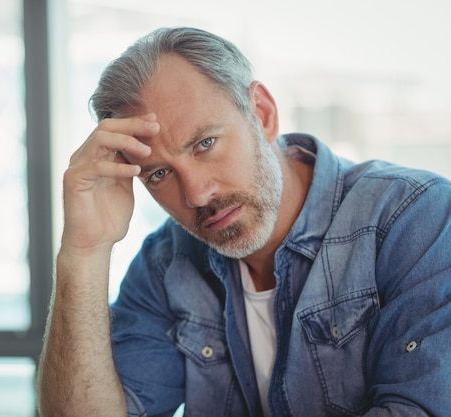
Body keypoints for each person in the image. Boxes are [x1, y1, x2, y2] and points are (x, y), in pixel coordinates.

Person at [36, 27, 451, 417]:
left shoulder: (413, 218)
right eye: (159, 174)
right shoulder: (166, 264)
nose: (196, 194)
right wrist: (83, 253)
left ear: (263, 114)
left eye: (205, 144)